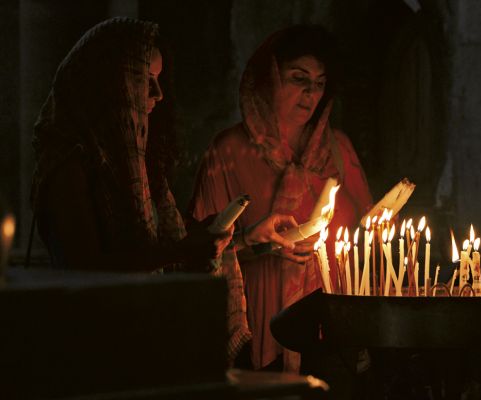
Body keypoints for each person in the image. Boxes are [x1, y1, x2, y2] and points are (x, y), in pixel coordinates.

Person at [30, 17, 296, 274]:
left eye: (158, 79)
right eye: (143, 81)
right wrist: (182, 250)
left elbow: (155, 249)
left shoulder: (135, 164)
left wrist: (239, 238)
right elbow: (87, 269)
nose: (158, 94)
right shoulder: (69, 164)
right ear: (109, 84)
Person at [189, 25, 372, 372]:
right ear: (268, 79)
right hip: (260, 328)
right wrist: (251, 241)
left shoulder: (338, 150)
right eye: (298, 79)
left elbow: (369, 233)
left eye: (318, 83)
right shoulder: (228, 152)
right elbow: (194, 254)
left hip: (330, 333)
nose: (310, 93)